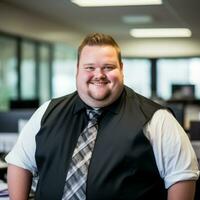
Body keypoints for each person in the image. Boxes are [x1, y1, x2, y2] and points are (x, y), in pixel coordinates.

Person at [5, 32, 199, 200]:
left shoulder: (156, 119)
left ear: (121, 69)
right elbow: (20, 163)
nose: (99, 74)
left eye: (108, 67)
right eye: (89, 67)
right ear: (77, 70)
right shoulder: (48, 112)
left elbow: (181, 177)